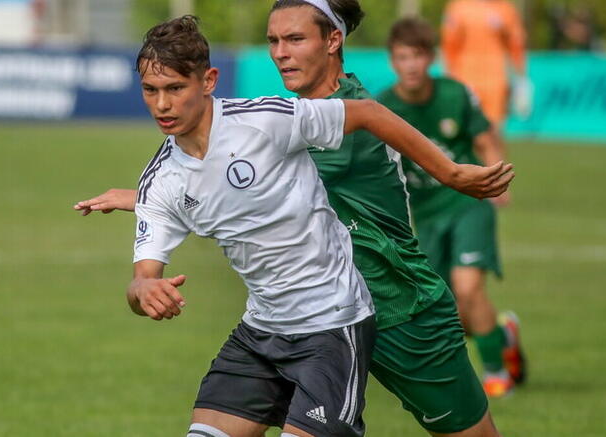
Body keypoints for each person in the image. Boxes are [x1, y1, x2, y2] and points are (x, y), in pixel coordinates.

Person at [76, 2, 514, 436]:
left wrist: (453, 173)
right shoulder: (285, 117)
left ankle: (499, 342)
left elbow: (250, 187)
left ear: (333, 40)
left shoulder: (340, 113)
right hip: (297, 320)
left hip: (395, 304)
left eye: (295, 39)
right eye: (273, 41)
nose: (280, 52)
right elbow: (242, 187)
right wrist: (152, 200)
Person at [377, 16, 528, 400]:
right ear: (393, 61)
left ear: (431, 58)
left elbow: (486, 138)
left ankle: (496, 373)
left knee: (468, 287)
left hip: (468, 203)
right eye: (402, 57)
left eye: (418, 56)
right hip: (424, 217)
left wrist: (496, 180)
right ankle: (500, 333)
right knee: (444, 308)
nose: (411, 65)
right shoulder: (382, 108)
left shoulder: (455, 94)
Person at [441, 0, 530, 127]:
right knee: (464, 126)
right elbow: (449, 43)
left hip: (496, 79)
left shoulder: (505, 8)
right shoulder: (459, 7)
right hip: (466, 76)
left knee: (493, 128)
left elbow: (516, 43)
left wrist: (521, 77)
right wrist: (449, 73)